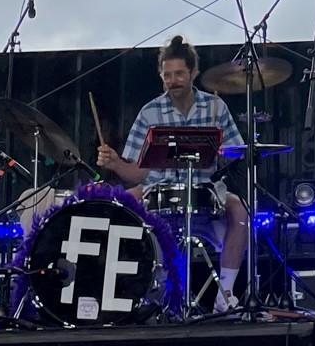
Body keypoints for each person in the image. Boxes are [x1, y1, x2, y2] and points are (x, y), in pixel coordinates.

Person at [96, 35, 252, 312]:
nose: (173, 80)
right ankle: (128, 296)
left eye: (179, 73)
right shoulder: (149, 112)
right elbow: (138, 174)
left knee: (240, 209)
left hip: (205, 190)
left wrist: (220, 151)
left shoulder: (215, 107)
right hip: (158, 190)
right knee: (118, 204)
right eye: (167, 75)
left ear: (194, 72)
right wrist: (116, 164)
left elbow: (235, 152)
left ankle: (225, 294)